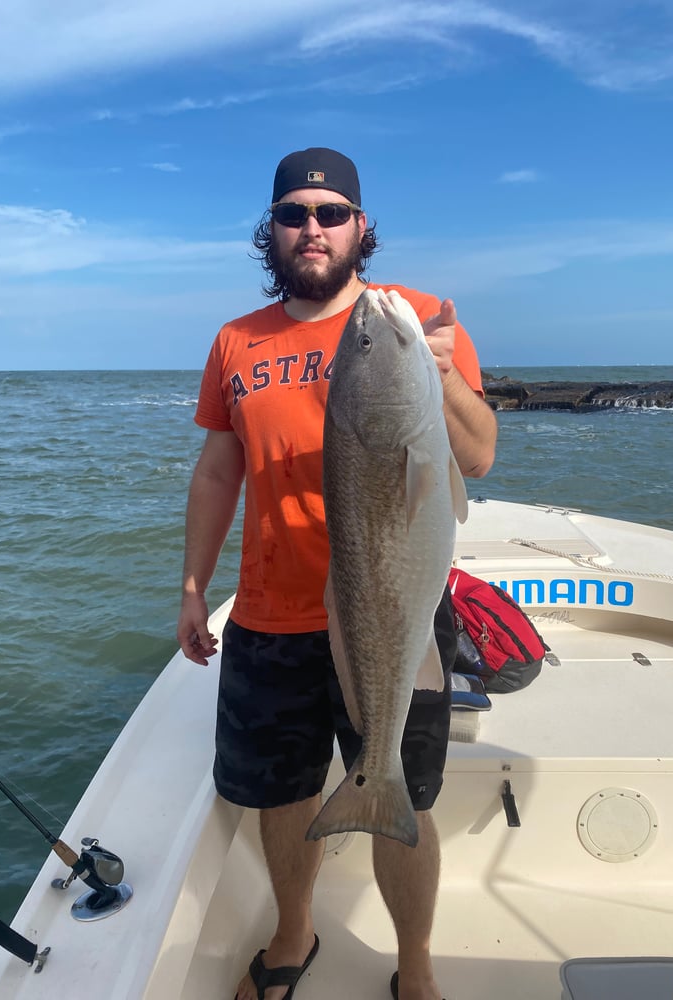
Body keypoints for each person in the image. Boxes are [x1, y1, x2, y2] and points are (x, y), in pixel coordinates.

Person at [177, 147, 497, 1000]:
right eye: (295, 213)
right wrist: (191, 587)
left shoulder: (418, 318)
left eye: (331, 213)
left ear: (361, 227)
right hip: (272, 615)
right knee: (280, 796)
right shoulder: (236, 340)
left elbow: (478, 454)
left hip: (395, 608)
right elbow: (217, 471)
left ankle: (417, 967)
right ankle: (293, 935)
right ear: (271, 231)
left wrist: (441, 376)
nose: (312, 228)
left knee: (406, 800)